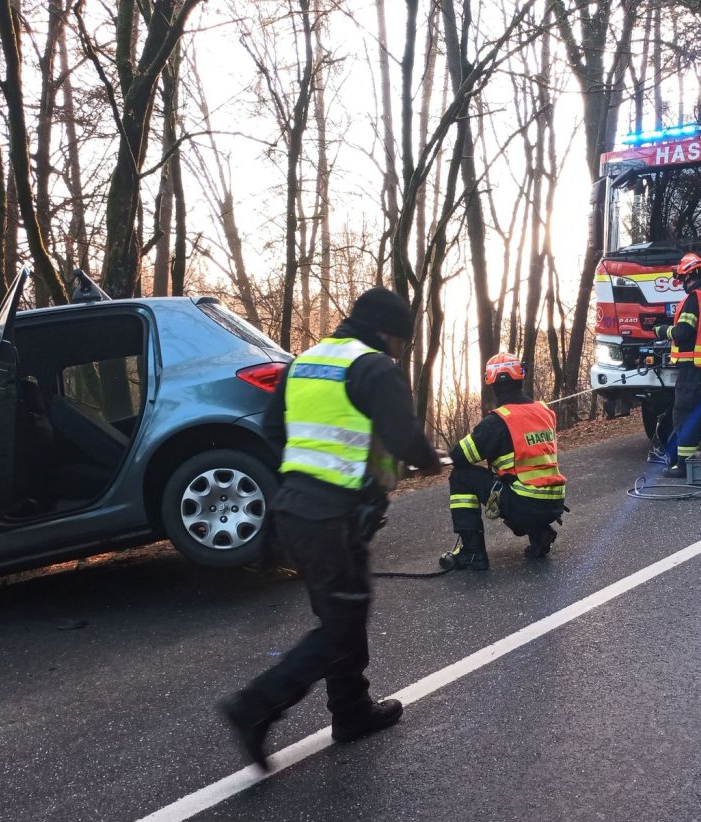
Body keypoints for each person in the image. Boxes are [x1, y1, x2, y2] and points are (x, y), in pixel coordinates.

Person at [217, 288, 442, 771]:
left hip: (293, 512)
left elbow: (274, 432)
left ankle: (351, 710)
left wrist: (307, 473)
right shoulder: (373, 366)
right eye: (401, 339)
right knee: (340, 628)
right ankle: (255, 707)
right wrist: (427, 462)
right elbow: (404, 437)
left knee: (343, 616)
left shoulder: (304, 362)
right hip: (332, 518)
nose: (400, 350)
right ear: (386, 332)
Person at [439, 353, 566, 571]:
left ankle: (472, 552)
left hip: (525, 505)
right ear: (521, 376)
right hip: (554, 503)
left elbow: (459, 457)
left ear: (491, 382)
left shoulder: (498, 421)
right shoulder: (544, 411)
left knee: (461, 477)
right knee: (512, 481)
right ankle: (539, 532)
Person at [655, 253, 701, 478]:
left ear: (688, 276)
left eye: (682, 279)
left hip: (691, 366)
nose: (682, 285)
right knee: (699, 410)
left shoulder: (694, 299)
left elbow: (684, 332)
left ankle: (684, 464)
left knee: (683, 412)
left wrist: (662, 331)